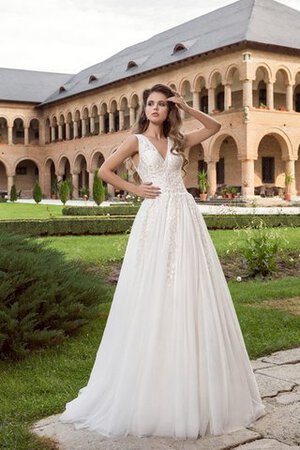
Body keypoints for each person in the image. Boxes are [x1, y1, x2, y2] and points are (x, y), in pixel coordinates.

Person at [59, 83, 266, 440]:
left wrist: (186, 107)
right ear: (144, 109)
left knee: (189, 287)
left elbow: (215, 128)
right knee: (153, 287)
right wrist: (136, 188)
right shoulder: (135, 141)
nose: (155, 108)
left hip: (185, 215)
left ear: (169, 110)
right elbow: (104, 171)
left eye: (161, 104)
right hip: (154, 217)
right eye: (151, 104)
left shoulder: (179, 141)